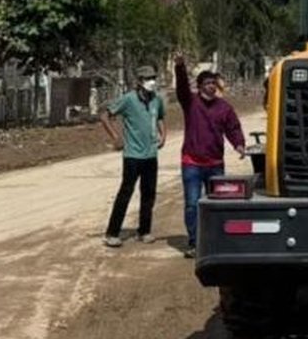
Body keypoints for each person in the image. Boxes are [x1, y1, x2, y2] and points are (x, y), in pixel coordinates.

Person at [175, 55, 247, 259]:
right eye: (207, 83)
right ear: (199, 86)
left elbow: (233, 128)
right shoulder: (191, 103)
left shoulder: (224, 107)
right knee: (192, 203)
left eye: (214, 83)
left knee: (218, 204)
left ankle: (216, 240)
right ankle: (194, 242)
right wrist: (180, 67)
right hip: (192, 164)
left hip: (215, 164)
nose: (211, 86)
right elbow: (181, 88)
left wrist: (239, 144)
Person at [100, 65, 167, 248]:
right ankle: (112, 233)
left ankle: (144, 231)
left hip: (151, 155)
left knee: (149, 194)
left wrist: (163, 134)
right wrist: (116, 137)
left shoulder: (156, 100)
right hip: (132, 155)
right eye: (147, 78)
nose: (151, 82)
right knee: (126, 193)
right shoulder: (128, 99)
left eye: (153, 77)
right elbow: (105, 116)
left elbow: (160, 117)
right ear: (139, 81)